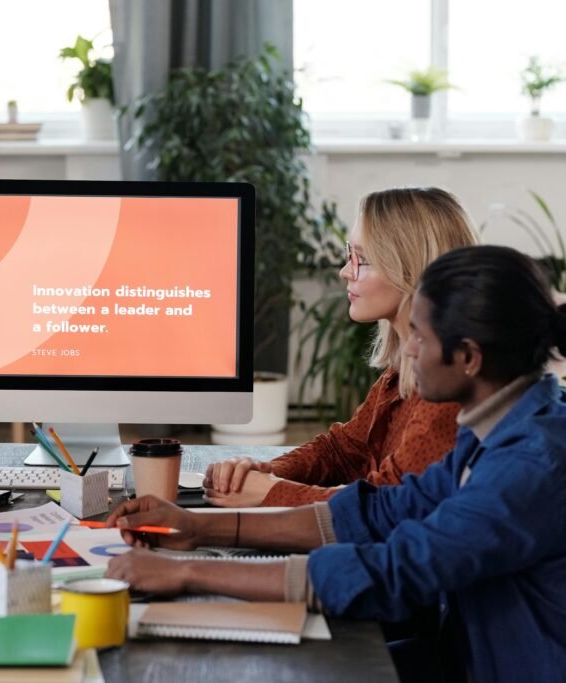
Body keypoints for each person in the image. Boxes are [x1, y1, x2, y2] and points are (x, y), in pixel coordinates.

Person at [106, 245, 566, 683]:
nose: (407, 350)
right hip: (464, 653)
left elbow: (395, 571)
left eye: (420, 337)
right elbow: (379, 511)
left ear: (467, 357)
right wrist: (201, 528)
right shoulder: (492, 429)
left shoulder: (530, 464)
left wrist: (187, 573)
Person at [204, 187, 477, 507]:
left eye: (362, 259)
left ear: (412, 270)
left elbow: (387, 504)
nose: (345, 271)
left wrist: (269, 493)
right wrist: (267, 472)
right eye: (350, 255)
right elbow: (344, 450)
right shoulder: (402, 368)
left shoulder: (448, 387)